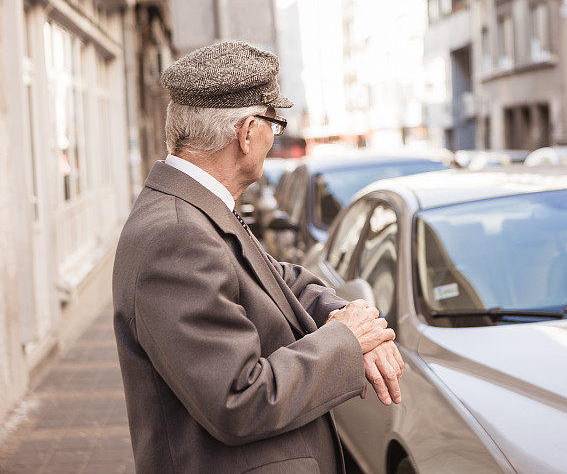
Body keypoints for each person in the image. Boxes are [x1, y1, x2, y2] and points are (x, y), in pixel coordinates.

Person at [112, 41, 403, 474]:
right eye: (275, 123)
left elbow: (278, 280)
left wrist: (349, 316)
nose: (273, 137)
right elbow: (239, 398)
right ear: (248, 132)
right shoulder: (176, 236)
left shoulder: (195, 209)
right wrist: (346, 342)